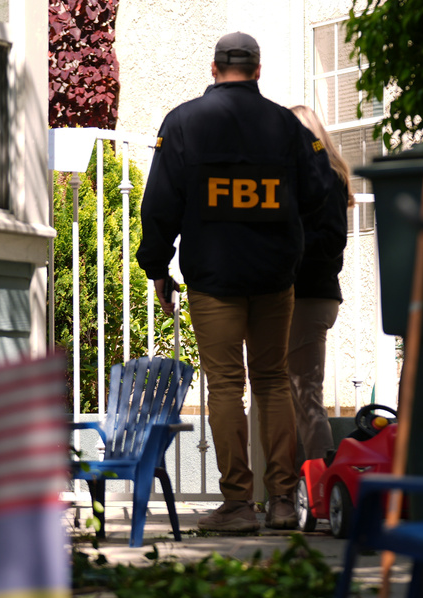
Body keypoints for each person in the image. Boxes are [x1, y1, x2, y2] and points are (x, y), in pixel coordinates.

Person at [136, 32, 336, 532]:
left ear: (214, 67)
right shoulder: (286, 126)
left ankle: (238, 505)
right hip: (274, 277)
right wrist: (288, 233)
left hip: (214, 277)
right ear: (257, 70)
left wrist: (157, 267)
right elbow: (319, 190)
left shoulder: (183, 122)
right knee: (272, 381)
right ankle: (283, 502)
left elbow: (159, 203)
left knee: (225, 385)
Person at [287, 105, 352, 467]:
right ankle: (301, 479)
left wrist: (286, 248)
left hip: (307, 294)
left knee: (305, 392)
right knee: (296, 392)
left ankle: (317, 481)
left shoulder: (322, 178)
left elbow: (330, 241)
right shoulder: (328, 176)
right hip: (315, 294)